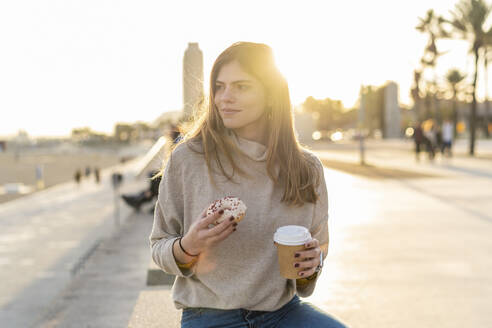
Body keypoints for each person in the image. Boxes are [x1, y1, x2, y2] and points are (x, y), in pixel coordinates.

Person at [149, 42, 345, 327]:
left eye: (241, 87)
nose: (224, 98)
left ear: (270, 95)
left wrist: (311, 266)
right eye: (219, 86)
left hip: (283, 313)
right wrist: (188, 246)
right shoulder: (188, 158)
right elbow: (159, 246)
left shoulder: (307, 169)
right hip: (209, 315)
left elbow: (307, 276)